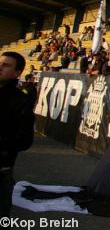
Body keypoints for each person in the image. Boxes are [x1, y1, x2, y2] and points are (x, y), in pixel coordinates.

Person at [0, 52, 35, 218]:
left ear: (17, 72)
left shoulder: (21, 101)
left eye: (6, 65)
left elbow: (25, 140)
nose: (0, 66)